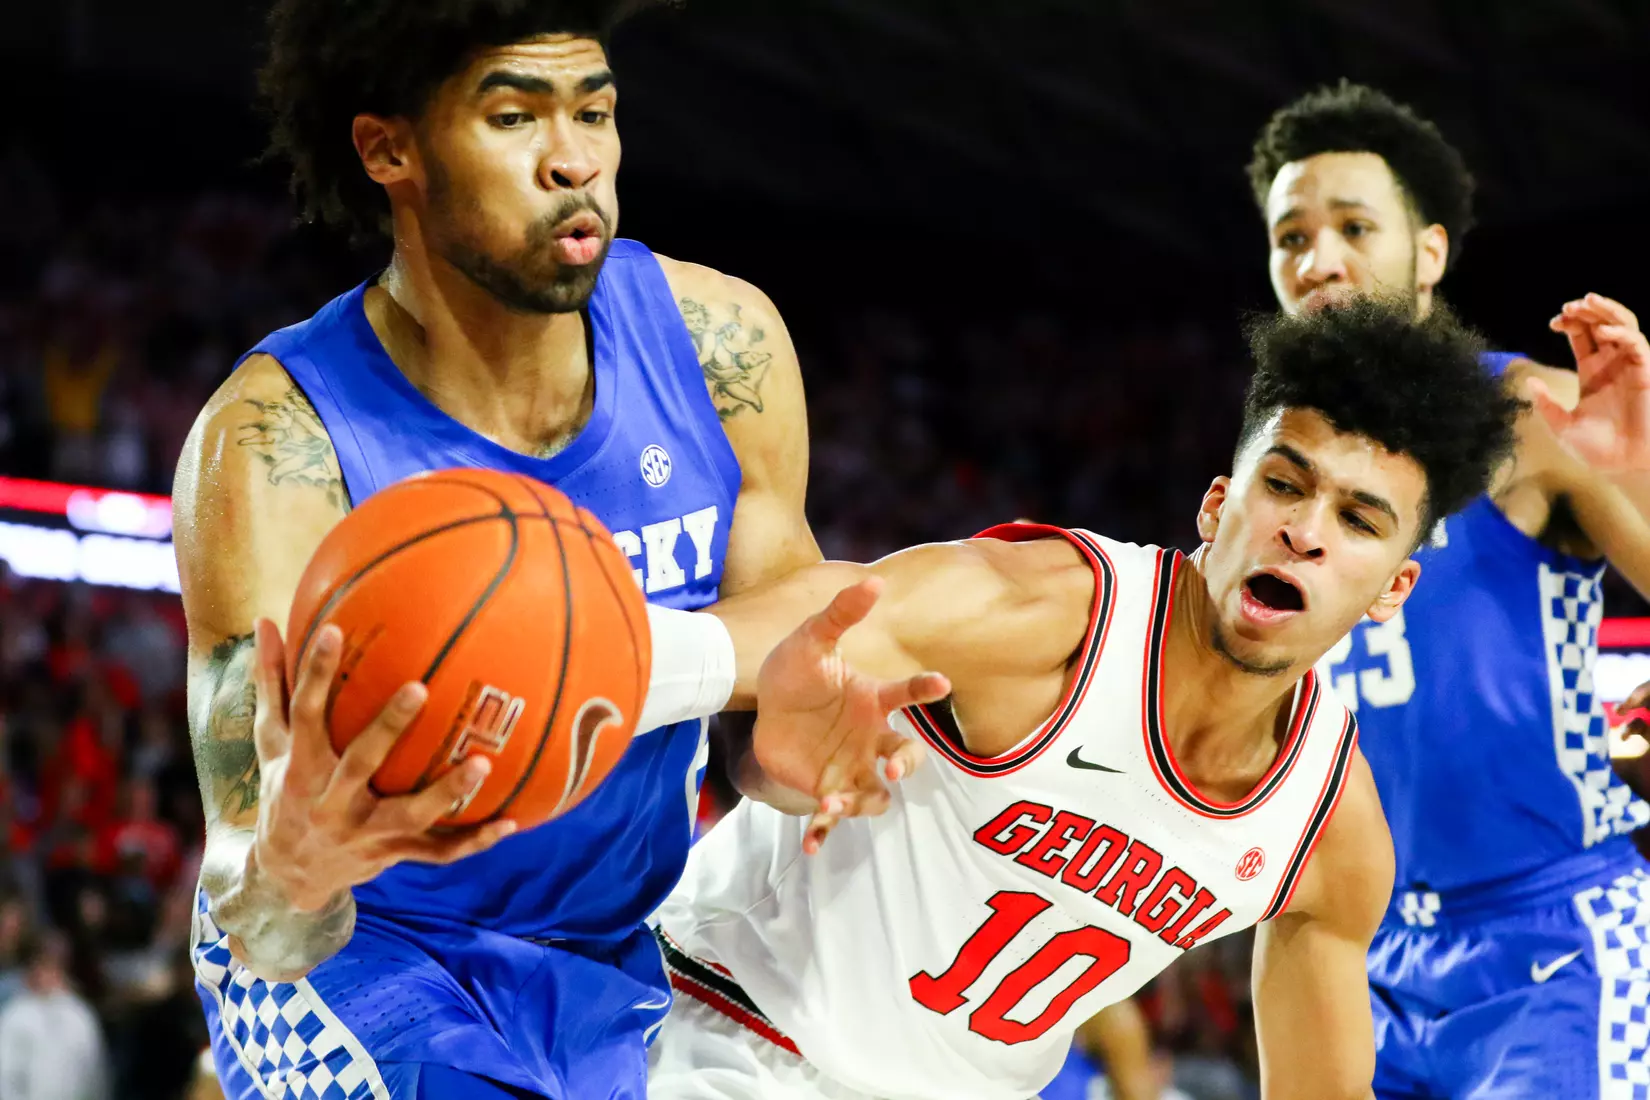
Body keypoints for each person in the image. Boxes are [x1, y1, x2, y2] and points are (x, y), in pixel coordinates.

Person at [173, 3, 933, 1098]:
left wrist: (777, 757)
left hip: (609, 953)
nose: (574, 159)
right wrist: (294, 869)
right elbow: (254, 906)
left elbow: (760, 709)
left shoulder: (723, 348)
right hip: (356, 956)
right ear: (390, 149)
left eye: (596, 110)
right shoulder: (275, 446)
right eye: (514, 116)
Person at [643, 299, 1526, 1100]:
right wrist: (737, 738)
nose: (1304, 532)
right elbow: (724, 647)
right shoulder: (1051, 612)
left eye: (1360, 521)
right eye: (1284, 485)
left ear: (1394, 588)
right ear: (1218, 506)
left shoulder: (1329, 827)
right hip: (729, 1037)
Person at [1247, 82, 1650, 1098]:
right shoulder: (1274, 469)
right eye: (1290, 234)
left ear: (1427, 252)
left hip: (1550, 937)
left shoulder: (1520, 409)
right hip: (1360, 949)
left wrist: (1637, 466)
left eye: (1352, 226)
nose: (1319, 258)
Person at [0, 930, 108, 1100]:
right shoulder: (15, 1015)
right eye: (44, 964)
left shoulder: (80, 1014)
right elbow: (6, 1076)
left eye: (56, 965)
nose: (49, 973)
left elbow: (95, 1072)